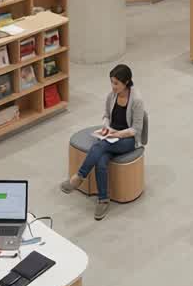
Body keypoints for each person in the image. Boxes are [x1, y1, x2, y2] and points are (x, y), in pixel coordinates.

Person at [59, 64, 145, 220]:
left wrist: (118, 134)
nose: (113, 86)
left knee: (101, 145)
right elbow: (106, 116)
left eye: (116, 83)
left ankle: (78, 177)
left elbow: (136, 129)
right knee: (101, 159)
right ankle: (103, 199)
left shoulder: (137, 100)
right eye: (112, 82)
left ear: (126, 82)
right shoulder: (111, 95)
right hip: (111, 136)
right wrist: (106, 127)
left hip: (128, 140)